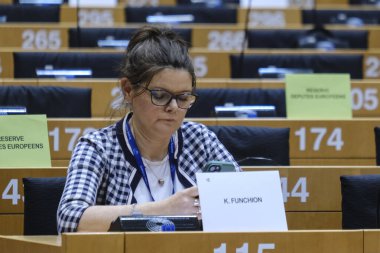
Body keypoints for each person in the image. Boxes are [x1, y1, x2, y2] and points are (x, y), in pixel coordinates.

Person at [57, 26, 239, 233]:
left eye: (183, 97)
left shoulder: (201, 140)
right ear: (128, 90)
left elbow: (247, 206)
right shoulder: (98, 148)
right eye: (159, 95)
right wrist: (165, 209)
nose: (173, 107)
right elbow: (69, 219)